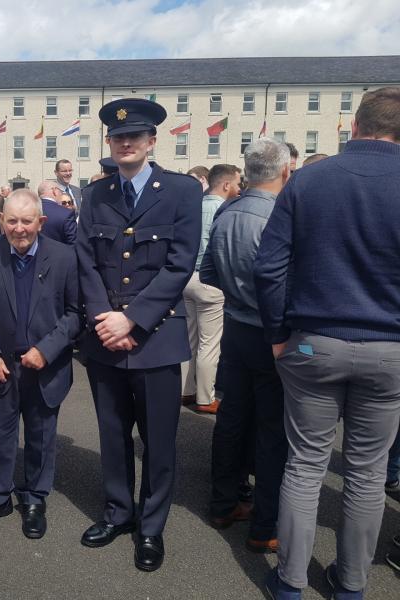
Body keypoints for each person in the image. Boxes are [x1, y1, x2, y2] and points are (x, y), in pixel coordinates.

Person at [255, 87, 400, 600]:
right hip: (390, 349)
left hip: (313, 343)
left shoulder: (308, 179)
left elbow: (269, 267)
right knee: (367, 473)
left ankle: (290, 581)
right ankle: (351, 584)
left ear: (354, 126)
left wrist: (277, 335)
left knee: (305, 465)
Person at [76, 98, 201, 572]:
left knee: (159, 441)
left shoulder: (182, 191)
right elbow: (86, 261)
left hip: (156, 336)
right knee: (112, 435)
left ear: (152, 141)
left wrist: (132, 320)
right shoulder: (96, 194)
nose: (125, 142)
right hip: (105, 337)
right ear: (109, 142)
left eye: (134, 136)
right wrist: (105, 318)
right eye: (117, 136)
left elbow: (179, 264)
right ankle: (118, 512)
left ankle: (150, 526)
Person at [0, 189, 80, 538]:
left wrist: (46, 350)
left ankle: (34, 499)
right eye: (12, 221)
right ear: (1, 220)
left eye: (26, 221)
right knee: (2, 432)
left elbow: (75, 314)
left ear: (40, 222)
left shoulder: (64, 256)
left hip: (46, 364)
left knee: (41, 435)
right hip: (3, 364)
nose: (19, 228)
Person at [200, 139, 290, 554]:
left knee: (233, 417)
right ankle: (264, 525)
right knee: (272, 428)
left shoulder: (227, 210)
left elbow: (209, 272)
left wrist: (236, 295)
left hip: (237, 326)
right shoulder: (279, 215)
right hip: (270, 333)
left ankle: (223, 504)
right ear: (284, 172)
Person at [181, 163, 241, 414]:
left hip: (186, 278)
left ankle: (185, 391)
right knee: (210, 343)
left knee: (189, 339)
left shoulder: (194, 206)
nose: (239, 187)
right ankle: (205, 398)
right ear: (226, 184)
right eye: (237, 183)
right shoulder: (226, 210)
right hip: (210, 281)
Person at [37, 180, 77, 245]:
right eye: (60, 191)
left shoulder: (30, 211)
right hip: (61, 251)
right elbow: (73, 243)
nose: (61, 194)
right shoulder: (66, 214)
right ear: (54, 191)